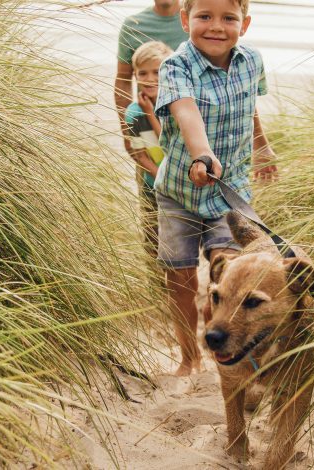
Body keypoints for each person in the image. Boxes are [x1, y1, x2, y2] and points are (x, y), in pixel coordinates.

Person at [153, 0, 277, 376]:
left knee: (230, 277)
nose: (216, 27)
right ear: (186, 18)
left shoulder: (251, 60)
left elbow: (247, 105)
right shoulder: (176, 66)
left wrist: (262, 144)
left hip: (231, 189)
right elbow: (186, 110)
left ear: (246, 23)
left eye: (229, 18)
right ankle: (189, 357)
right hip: (180, 192)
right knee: (180, 277)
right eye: (204, 16)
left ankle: (235, 349)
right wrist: (202, 154)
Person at [115, 0, 187, 159]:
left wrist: (256, 139)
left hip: (185, 125)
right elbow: (122, 80)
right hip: (145, 125)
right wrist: (127, 133)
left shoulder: (194, 20)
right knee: (148, 180)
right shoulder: (133, 25)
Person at [124, 41, 174, 260]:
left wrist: (151, 113)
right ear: (135, 76)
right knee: (153, 235)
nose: (150, 78)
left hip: (180, 183)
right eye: (142, 73)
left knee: (178, 238)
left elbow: (170, 142)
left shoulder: (177, 106)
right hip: (151, 184)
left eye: (157, 72)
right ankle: (156, 285)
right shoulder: (134, 113)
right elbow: (139, 154)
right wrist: (157, 175)